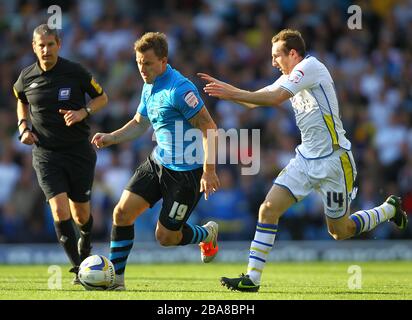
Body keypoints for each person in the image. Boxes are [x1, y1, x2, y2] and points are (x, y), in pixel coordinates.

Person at [198, 29, 408, 292]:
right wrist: (226, 90)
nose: (273, 62)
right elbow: (255, 102)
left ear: (293, 54)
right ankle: (252, 279)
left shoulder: (310, 67)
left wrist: (234, 93)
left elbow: (273, 98)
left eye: (277, 56)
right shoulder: (291, 77)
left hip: (334, 161)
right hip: (305, 159)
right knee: (268, 209)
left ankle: (388, 210)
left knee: (339, 231)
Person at [92, 32, 220, 290]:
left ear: (163, 61)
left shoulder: (180, 89)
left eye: (148, 63)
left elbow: (210, 128)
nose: (142, 69)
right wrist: (111, 138)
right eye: (139, 63)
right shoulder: (148, 85)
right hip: (157, 162)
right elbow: (140, 124)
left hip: (186, 174)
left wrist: (209, 171)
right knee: (122, 213)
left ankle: (206, 233)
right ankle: (115, 280)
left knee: (165, 237)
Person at [13, 24, 108, 284]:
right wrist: (23, 127)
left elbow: (102, 98)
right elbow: (21, 99)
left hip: (78, 152)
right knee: (58, 209)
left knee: (81, 215)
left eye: (50, 44)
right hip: (46, 154)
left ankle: (85, 243)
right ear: (34, 47)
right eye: (40, 45)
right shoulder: (26, 77)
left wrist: (83, 112)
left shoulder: (75, 72)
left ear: (59, 45)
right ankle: (80, 269)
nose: (46, 50)